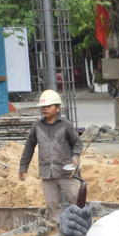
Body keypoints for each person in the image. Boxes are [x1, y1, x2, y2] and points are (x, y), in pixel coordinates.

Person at [19, 89, 82, 223]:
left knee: (76, 197)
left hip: (66, 171)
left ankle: (80, 223)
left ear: (57, 108)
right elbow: (29, 147)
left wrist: (75, 156)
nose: (45, 109)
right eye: (43, 107)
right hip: (47, 173)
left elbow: (77, 143)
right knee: (52, 203)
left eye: (48, 106)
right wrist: (23, 167)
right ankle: (58, 225)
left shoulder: (66, 125)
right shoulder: (37, 126)